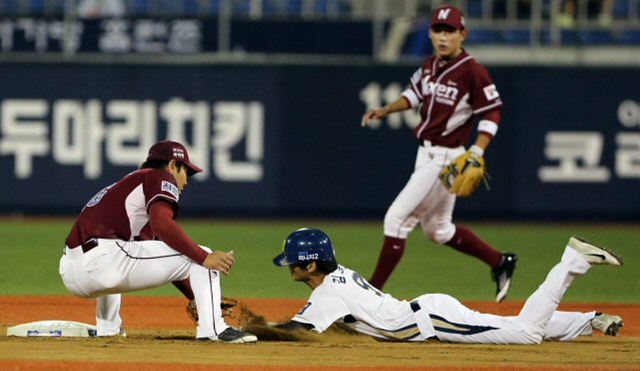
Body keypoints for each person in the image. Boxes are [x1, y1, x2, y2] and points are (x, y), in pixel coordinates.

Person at [361, 4, 517, 302]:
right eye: (437, 30)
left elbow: (492, 113)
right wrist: (386, 109)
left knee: (396, 220)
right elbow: (413, 94)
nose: (443, 37)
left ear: (463, 34)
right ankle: (501, 262)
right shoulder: (432, 64)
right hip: (427, 155)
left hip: (447, 159)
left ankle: (371, 294)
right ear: (430, 33)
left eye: (450, 31)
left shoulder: (473, 71)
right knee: (438, 230)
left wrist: (477, 151)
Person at [272, 228, 624, 344]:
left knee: (525, 333)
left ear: (311, 263)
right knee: (504, 323)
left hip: (431, 320)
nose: (289, 268)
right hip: (429, 311)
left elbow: (295, 331)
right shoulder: (338, 277)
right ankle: (588, 320)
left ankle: (572, 262)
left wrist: (252, 327)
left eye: (292, 263)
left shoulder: (328, 292)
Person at [59, 140, 257, 343]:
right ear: (172, 165)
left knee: (123, 248)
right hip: (104, 261)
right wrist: (204, 257)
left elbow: (163, 251)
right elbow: (162, 224)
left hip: (71, 271)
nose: (186, 181)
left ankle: (108, 329)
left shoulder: (128, 184)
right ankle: (214, 329)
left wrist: (196, 296)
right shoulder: (160, 176)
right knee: (202, 253)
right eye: (185, 172)